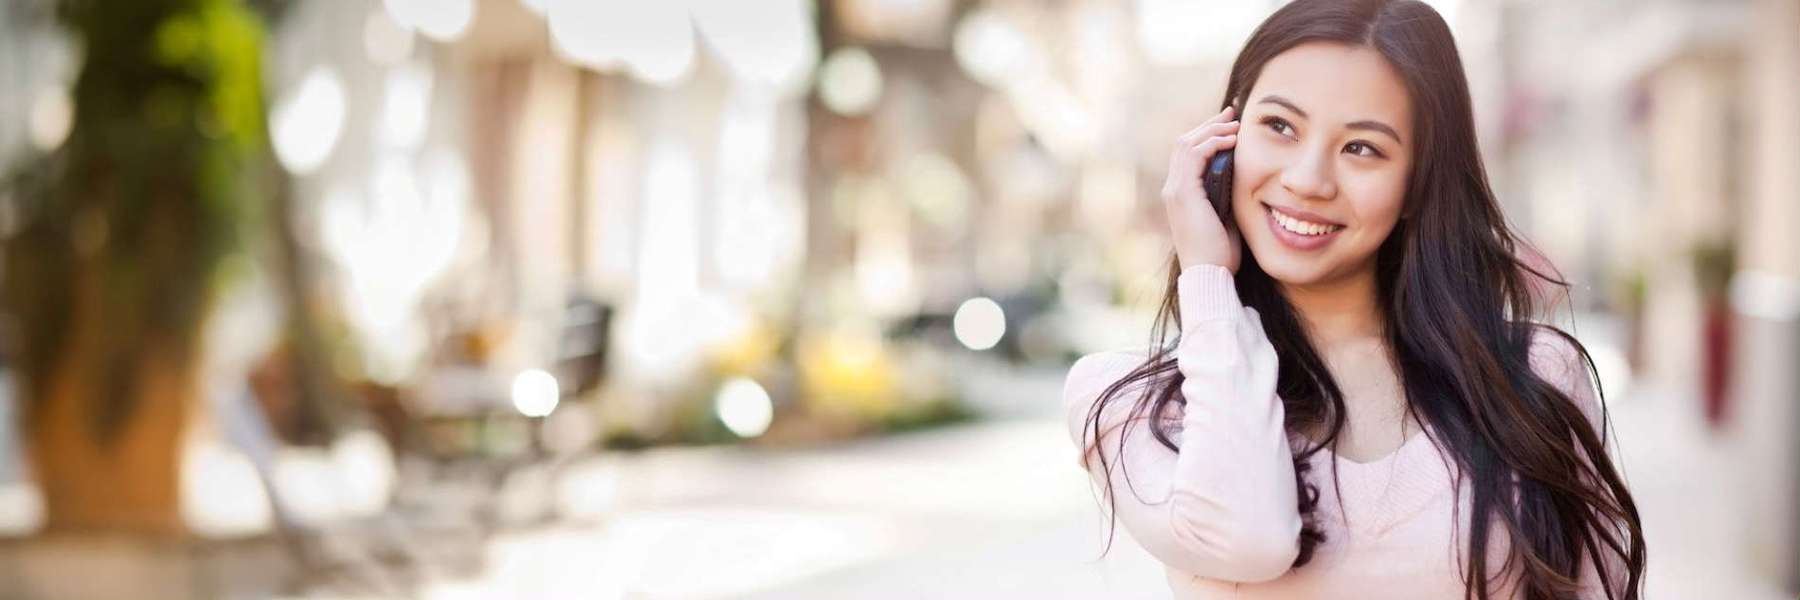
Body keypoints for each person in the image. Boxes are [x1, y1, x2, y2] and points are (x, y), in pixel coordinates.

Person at [1062, 1, 1645, 598]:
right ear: (1224, 142)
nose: (1308, 180)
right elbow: (1250, 542)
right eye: (1279, 126)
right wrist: (1208, 282)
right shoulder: (1129, 406)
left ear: (1418, 183)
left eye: (1362, 148)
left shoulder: (1532, 378)